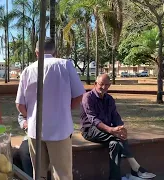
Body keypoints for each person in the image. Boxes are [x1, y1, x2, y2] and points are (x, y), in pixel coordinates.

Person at [15, 37, 85, 180]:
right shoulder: (65, 65)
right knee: (62, 174)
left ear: (36, 52)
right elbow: (79, 95)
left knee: (39, 173)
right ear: (55, 51)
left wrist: (32, 117)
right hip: (60, 129)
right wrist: (64, 110)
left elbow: (19, 105)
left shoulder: (27, 71)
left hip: (35, 130)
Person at [80, 74, 156, 180]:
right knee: (117, 137)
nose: (104, 87)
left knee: (114, 144)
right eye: (101, 84)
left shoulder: (109, 99)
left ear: (109, 85)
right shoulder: (87, 97)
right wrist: (111, 130)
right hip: (90, 130)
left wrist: (121, 128)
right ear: (95, 84)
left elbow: (115, 116)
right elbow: (94, 120)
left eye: (107, 85)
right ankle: (136, 167)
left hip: (107, 130)